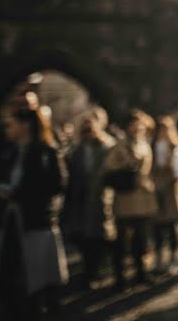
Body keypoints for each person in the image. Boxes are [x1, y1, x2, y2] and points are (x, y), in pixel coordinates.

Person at [0, 105, 68, 319]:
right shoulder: (8, 150)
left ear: (25, 125)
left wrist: (18, 194)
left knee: (36, 271)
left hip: (33, 219)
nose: (7, 129)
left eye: (11, 124)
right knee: (10, 267)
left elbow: (56, 184)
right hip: (8, 219)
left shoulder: (45, 151)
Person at [104, 109, 158, 290]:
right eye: (134, 124)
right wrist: (126, 165)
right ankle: (120, 277)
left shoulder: (145, 144)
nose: (137, 127)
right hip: (126, 199)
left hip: (142, 198)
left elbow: (148, 171)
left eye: (140, 124)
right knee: (122, 241)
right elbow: (109, 167)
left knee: (141, 239)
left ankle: (141, 273)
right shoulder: (120, 145)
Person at [64, 106, 116, 289]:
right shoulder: (78, 148)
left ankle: (96, 271)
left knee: (99, 237)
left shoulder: (108, 145)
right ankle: (89, 272)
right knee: (84, 237)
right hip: (81, 200)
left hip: (101, 200)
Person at [151, 116, 178, 274]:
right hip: (156, 187)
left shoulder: (177, 147)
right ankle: (159, 257)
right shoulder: (152, 145)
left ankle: (174, 258)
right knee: (158, 227)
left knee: (172, 225)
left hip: (171, 189)